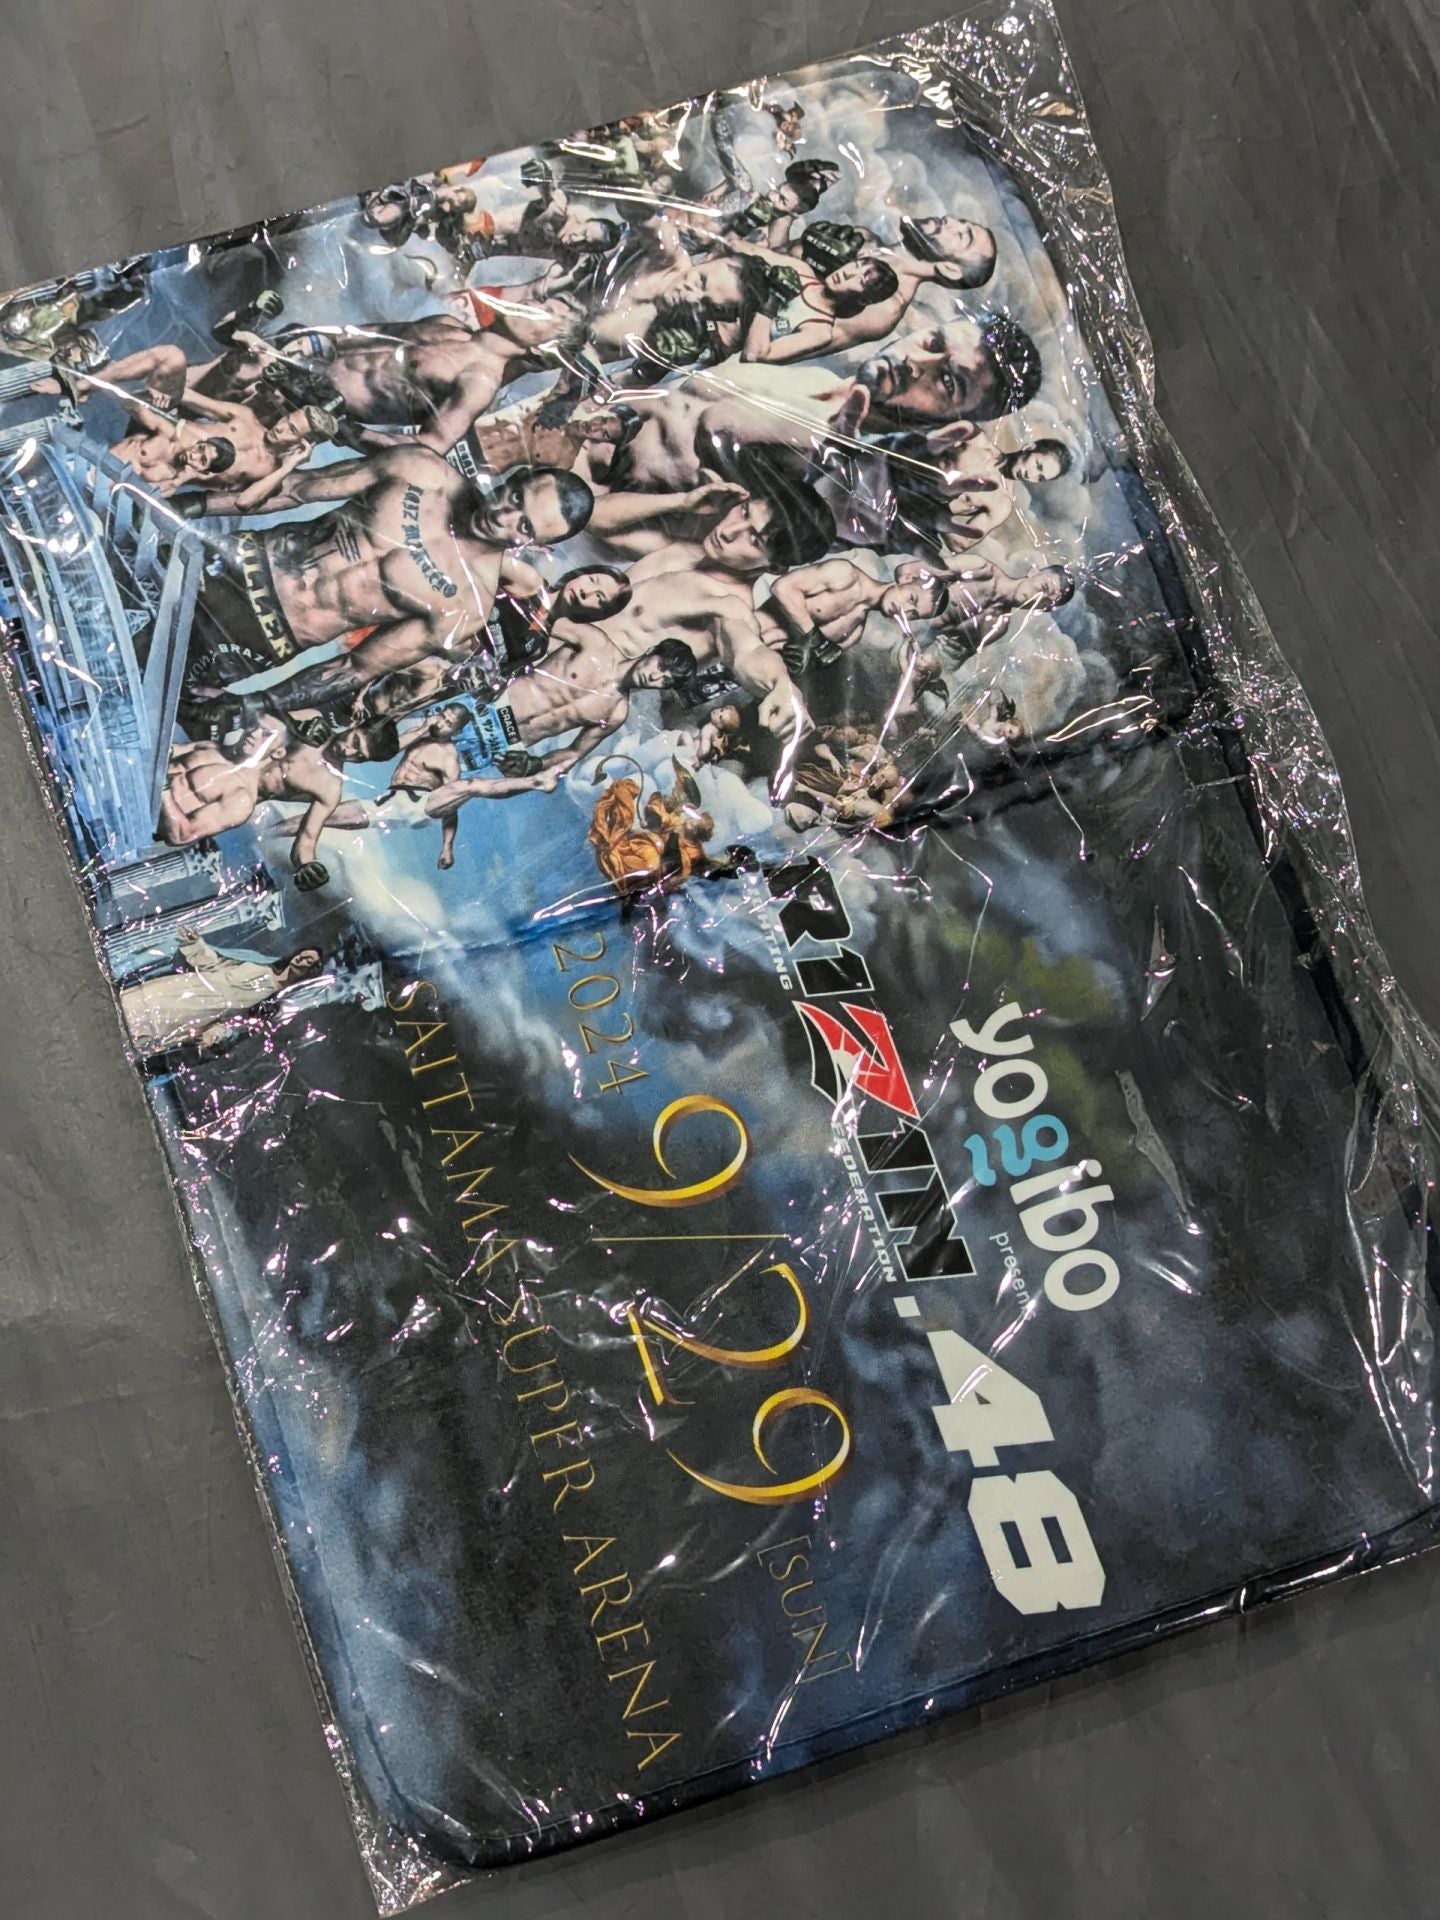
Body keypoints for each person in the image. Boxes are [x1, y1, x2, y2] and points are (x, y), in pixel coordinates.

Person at [184, 453, 593, 713]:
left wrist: (252, 704)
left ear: (535, 546)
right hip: (230, 565)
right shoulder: (424, 471)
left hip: (256, 641)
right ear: (516, 477)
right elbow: (296, 490)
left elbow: (355, 667)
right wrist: (190, 505)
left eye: (524, 526)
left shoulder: (469, 605)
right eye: (517, 498)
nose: (503, 517)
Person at [157, 716, 351, 891]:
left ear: (278, 752)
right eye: (256, 726)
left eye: (266, 734)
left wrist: (162, 787)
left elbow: (181, 835)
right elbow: (160, 750)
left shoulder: (241, 800)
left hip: (146, 817)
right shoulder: (211, 748)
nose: (254, 733)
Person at [371, 705, 561, 868]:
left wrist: (447, 847)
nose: (441, 724)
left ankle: (536, 782)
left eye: (448, 724)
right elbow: (389, 750)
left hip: (417, 809)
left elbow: (450, 807)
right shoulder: (418, 734)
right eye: (442, 717)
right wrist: (422, 729)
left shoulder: (448, 758)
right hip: (390, 799)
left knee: (469, 786)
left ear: (456, 732)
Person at [118, 929, 324, 1059]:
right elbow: (215, 965)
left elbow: (237, 1025)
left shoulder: (271, 1003)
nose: (301, 959)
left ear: (310, 972)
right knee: (131, 1003)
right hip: (187, 987)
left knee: (141, 1030)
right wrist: (197, 944)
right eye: (303, 954)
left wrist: (217, 1035)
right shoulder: (259, 963)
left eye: (309, 961)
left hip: (200, 1011)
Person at [757, 556, 950, 671]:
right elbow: (782, 588)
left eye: (913, 615)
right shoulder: (844, 573)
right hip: (744, 629)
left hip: (750, 669)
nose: (904, 611)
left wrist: (799, 666)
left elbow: (795, 666)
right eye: (911, 599)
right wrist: (813, 637)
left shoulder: (852, 634)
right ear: (907, 578)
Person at [738, 252, 903, 365]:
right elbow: (738, 247)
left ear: (863, 299)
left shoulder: (819, 332)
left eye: (860, 280)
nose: (848, 273)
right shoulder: (800, 270)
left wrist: (772, 301)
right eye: (856, 265)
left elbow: (752, 355)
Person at [934, 561, 1075, 654]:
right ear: (1033, 572)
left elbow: (951, 660)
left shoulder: (997, 627)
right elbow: (925, 569)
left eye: (1046, 603)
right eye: (1044, 587)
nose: (1038, 598)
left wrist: (955, 654)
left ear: (1044, 609)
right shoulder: (981, 569)